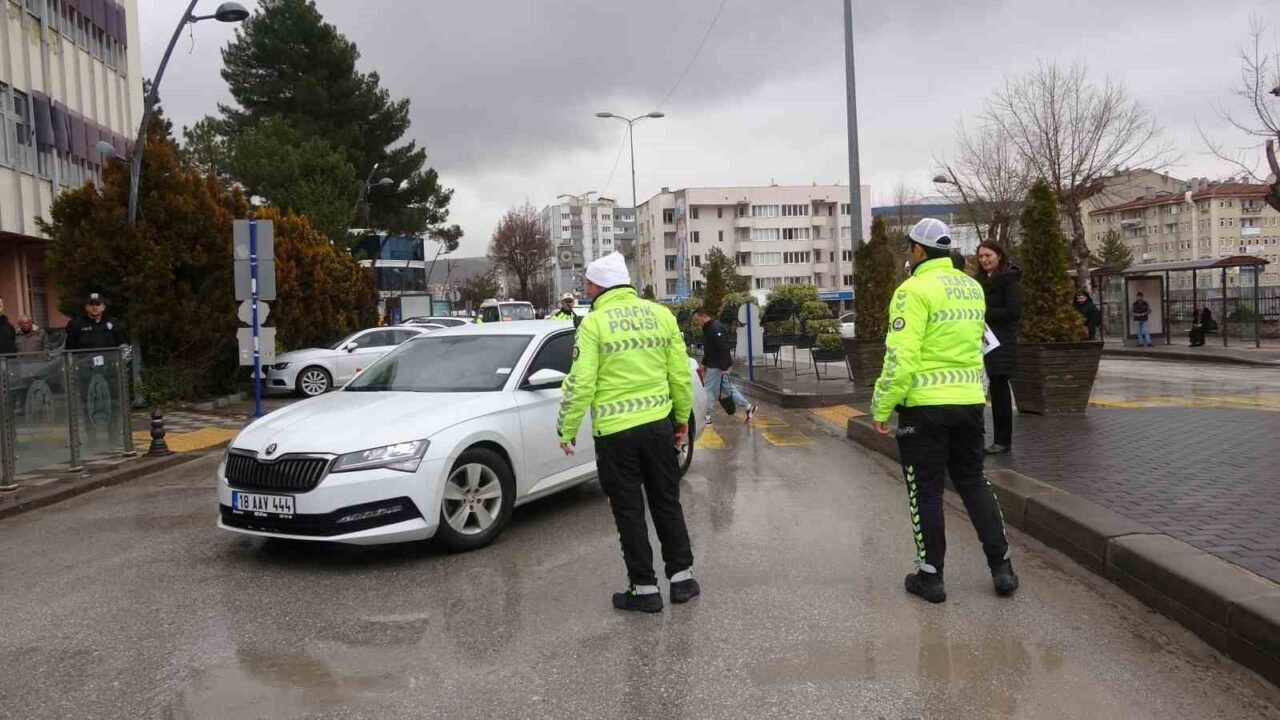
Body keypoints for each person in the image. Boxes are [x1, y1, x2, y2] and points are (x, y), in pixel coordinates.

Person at [872, 218, 1017, 604]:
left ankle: (930, 576)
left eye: (909, 248)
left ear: (919, 251)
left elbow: (900, 357)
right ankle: (1002, 568)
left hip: (924, 409)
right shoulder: (972, 288)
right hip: (969, 402)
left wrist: (882, 407)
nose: (908, 254)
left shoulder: (912, 290)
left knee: (927, 492)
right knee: (974, 482)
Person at [557, 252, 698, 613]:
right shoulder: (661, 315)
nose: (586, 290)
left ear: (599, 285)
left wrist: (567, 427)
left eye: (588, 284)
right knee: (667, 502)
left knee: (629, 510)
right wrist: (680, 419)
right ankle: (682, 580)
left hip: (616, 434)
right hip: (658, 427)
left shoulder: (594, 323)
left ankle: (644, 589)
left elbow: (581, 382)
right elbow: (680, 375)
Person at [974, 240, 1022, 456]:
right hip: (982, 339)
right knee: (987, 389)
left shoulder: (1009, 281)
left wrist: (983, 312)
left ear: (999, 256)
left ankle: (1003, 440)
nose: (984, 260)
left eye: (988, 256)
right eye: (981, 256)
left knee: (999, 389)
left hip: (1001, 341)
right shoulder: (979, 280)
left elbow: (1013, 312)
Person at [692, 308, 756, 426]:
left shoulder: (714, 328)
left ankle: (707, 416)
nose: (697, 322)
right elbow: (709, 348)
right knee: (727, 388)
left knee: (708, 390)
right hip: (715, 364)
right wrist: (705, 363)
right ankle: (748, 407)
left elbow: (722, 348)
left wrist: (724, 367)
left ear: (704, 316)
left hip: (717, 365)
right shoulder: (708, 328)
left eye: (697, 319)